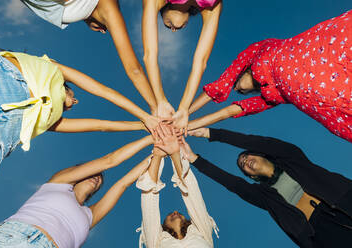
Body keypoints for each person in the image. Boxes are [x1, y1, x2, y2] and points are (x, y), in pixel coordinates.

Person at [0, 47, 158, 186]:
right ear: (65, 87)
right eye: (73, 96)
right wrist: (144, 115)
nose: (76, 102)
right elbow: (102, 91)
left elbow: (101, 125)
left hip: (0, 132)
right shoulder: (51, 67)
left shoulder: (51, 120)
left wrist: (143, 125)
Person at [189, 9, 352, 142]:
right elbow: (227, 112)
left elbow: (219, 86)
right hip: (330, 97)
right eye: (241, 92)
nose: (237, 88)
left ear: (242, 72)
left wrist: (185, 111)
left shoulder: (258, 50)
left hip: (319, 51)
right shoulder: (268, 98)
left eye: (236, 84)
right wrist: (187, 125)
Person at [183, 127, 352, 247]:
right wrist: (194, 158)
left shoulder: (292, 158)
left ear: (261, 153)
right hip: (319, 233)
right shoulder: (264, 196)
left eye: (247, 155)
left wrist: (211, 133)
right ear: (252, 176)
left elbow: (261, 143)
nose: (245, 161)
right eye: (242, 166)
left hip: (343, 200)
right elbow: (233, 184)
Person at [0, 134, 153, 248]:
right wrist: (152, 137)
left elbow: (122, 184)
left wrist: (157, 153)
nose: (98, 177)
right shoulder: (59, 182)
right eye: (93, 172)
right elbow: (109, 161)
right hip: (12, 237)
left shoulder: (90, 215)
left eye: (100, 179)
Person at [20, 0, 157, 113]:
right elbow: (134, 69)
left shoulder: (81, 8)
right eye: (106, 29)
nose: (103, 31)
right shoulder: (108, 7)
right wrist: (156, 106)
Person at [142, 0, 222, 130]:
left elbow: (149, 55)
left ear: (162, 9)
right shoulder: (211, 7)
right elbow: (200, 62)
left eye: (168, 25)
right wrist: (184, 108)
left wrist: (160, 100)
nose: (173, 30)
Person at [137, 124, 218, 248]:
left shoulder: (201, 232)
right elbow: (149, 210)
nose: (175, 212)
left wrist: (174, 153)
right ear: (162, 226)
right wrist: (160, 155)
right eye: (173, 213)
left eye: (171, 213)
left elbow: (194, 197)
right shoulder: (156, 242)